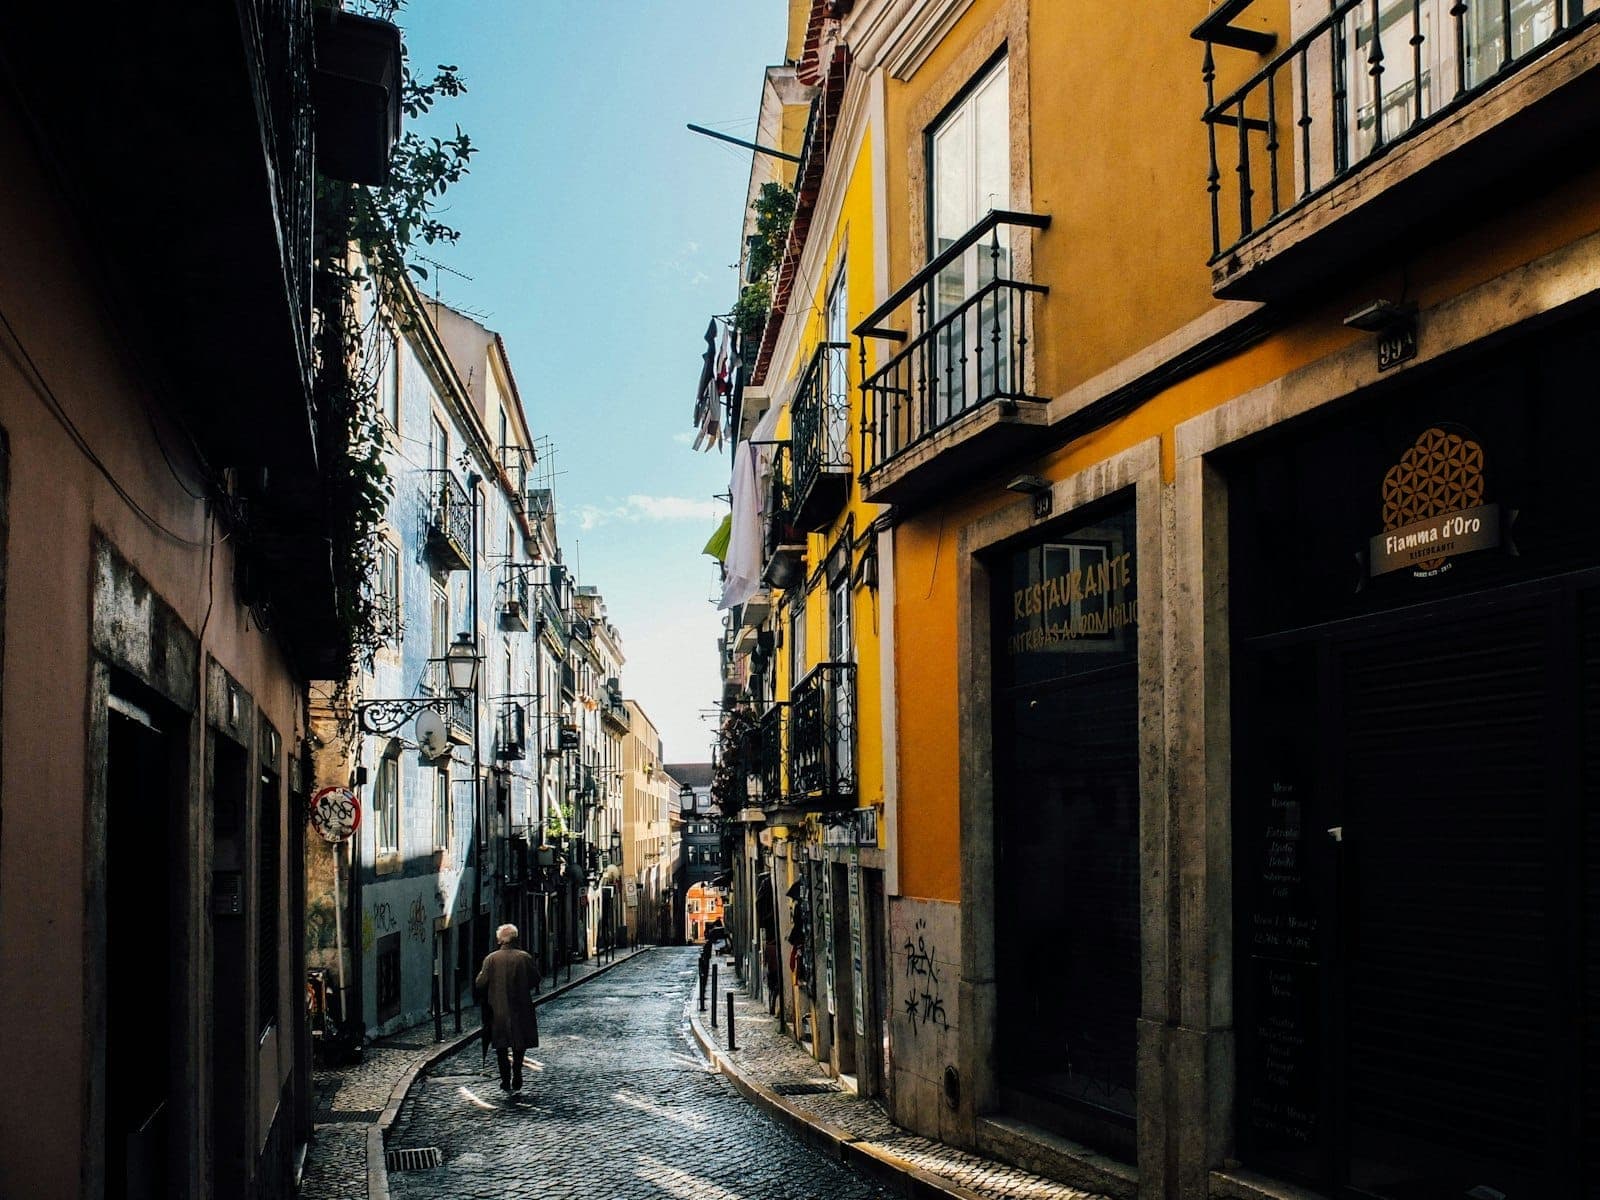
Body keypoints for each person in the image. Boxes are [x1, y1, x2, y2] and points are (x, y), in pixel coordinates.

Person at [475, 923, 541, 1094]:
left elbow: (480, 983)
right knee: (519, 1045)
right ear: (515, 938)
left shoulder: (491, 959)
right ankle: (517, 1072)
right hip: (521, 1008)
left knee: (501, 1046)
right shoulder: (524, 957)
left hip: (498, 1010)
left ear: (500, 939)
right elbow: (536, 979)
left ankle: (505, 1079)